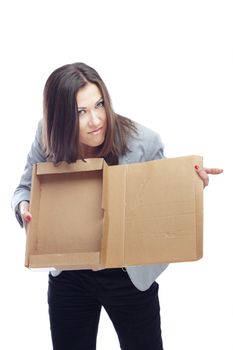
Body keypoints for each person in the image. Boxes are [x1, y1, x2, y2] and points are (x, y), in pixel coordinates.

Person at [11, 62, 223, 350]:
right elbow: (25, 187)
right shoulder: (47, 135)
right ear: (60, 117)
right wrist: (24, 208)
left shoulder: (143, 141)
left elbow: (161, 203)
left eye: (99, 104)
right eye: (80, 112)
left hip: (127, 275)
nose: (96, 120)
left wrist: (189, 186)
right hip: (70, 274)